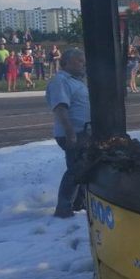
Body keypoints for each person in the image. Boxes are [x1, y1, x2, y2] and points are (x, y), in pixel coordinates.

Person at [46, 48, 90, 218]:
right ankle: (64, 207)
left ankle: (79, 203)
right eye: (79, 61)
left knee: (82, 167)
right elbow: (60, 108)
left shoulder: (77, 81)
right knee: (75, 169)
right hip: (72, 133)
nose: (83, 64)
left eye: (83, 61)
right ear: (65, 63)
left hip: (82, 132)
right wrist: (70, 131)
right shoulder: (61, 81)